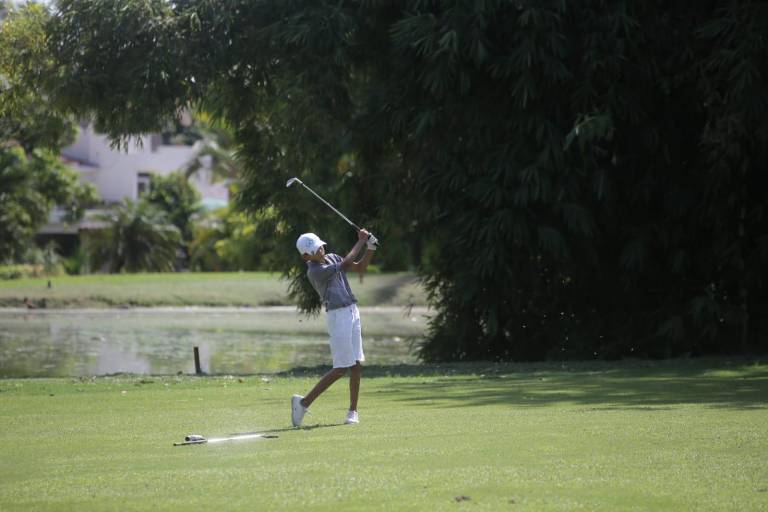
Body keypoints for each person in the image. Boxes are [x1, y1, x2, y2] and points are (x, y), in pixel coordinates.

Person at [292, 229, 378, 427]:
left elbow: (359, 268)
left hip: (352, 311)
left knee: (355, 363)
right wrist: (361, 241)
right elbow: (347, 263)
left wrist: (370, 247)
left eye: (320, 246)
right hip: (338, 316)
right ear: (306, 256)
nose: (321, 250)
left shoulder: (331, 257)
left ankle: (352, 412)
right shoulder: (314, 271)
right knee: (341, 368)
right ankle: (303, 403)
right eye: (315, 249)